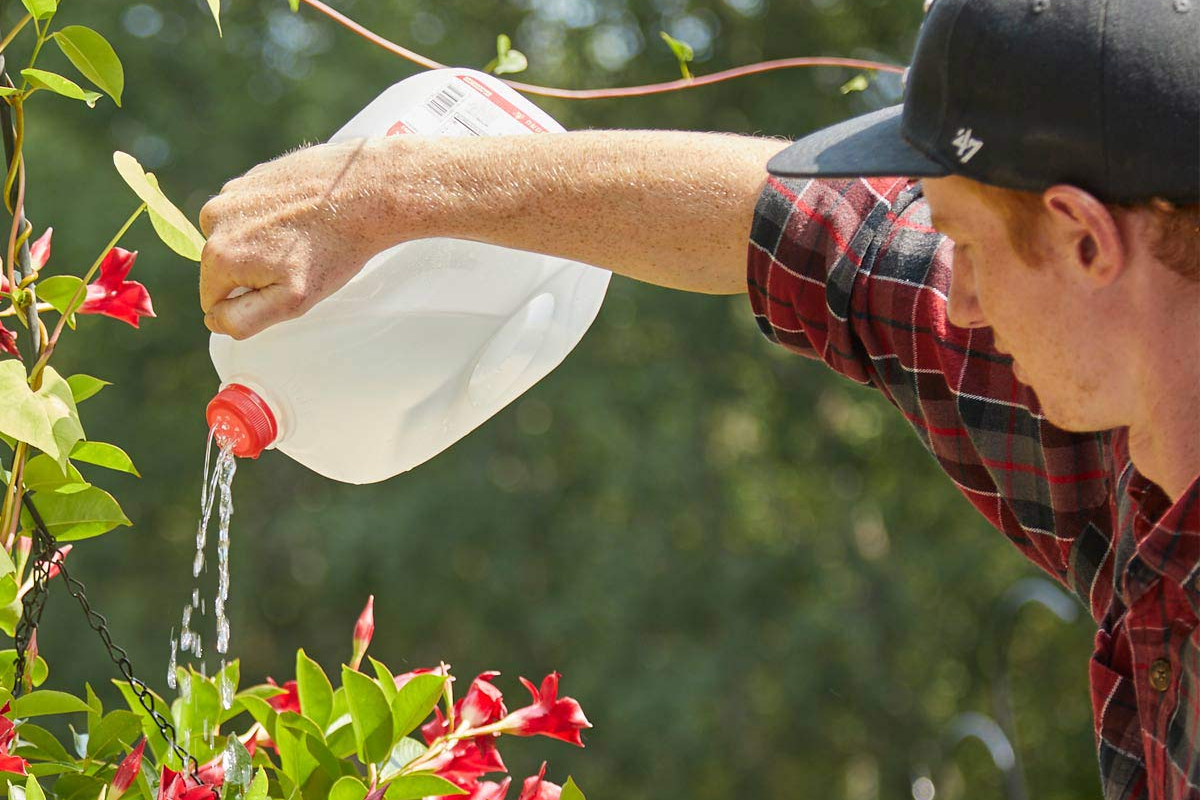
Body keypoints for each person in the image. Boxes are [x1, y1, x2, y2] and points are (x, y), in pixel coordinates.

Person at [198, 0, 1199, 795]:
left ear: (1083, 238)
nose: (957, 294)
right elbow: (792, 224)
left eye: (968, 246)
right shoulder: (1123, 410)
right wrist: (389, 191)